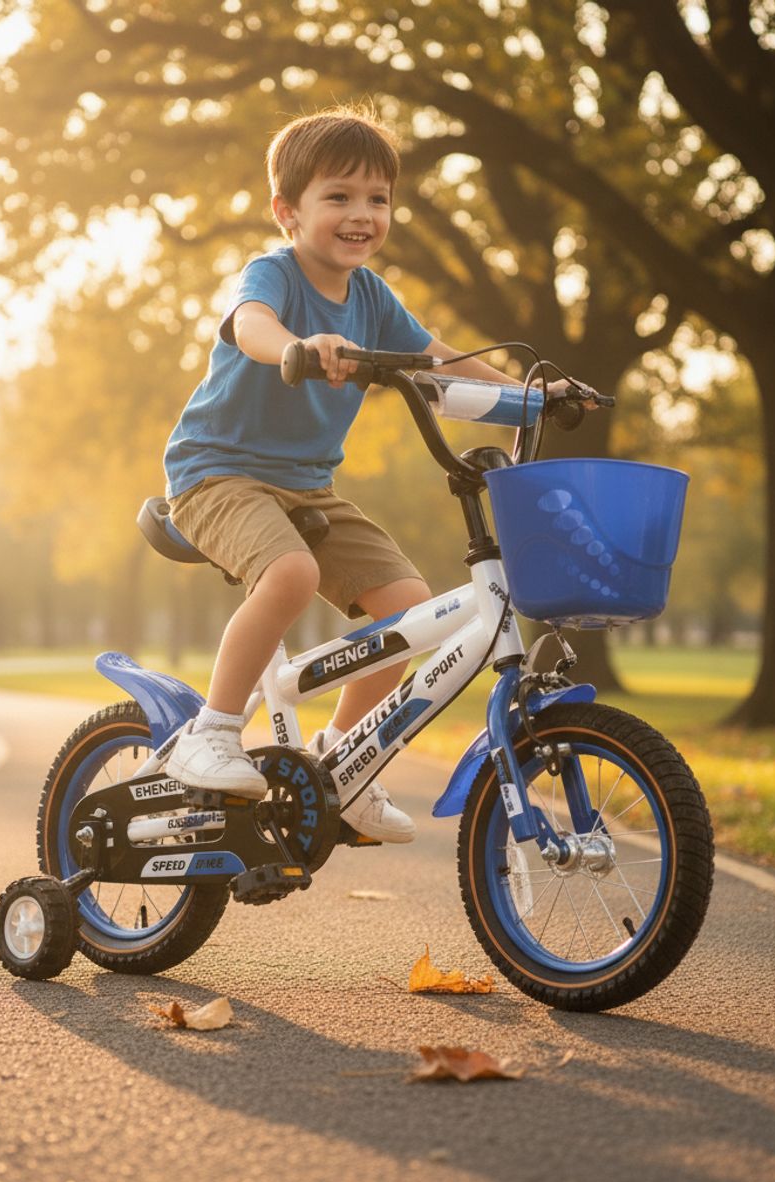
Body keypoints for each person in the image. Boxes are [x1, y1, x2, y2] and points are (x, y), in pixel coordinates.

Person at [159, 103, 571, 843]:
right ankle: (212, 730)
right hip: (217, 474)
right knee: (292, 574)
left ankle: (342, 762)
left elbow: (442, 362)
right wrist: (298, 345)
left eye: (377, 198)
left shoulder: (374, 298)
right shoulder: (275, 274)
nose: (362, 214)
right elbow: (250, 325)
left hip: (306, 486)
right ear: (287, 211)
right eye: (339, 196)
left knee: (408, 611)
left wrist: (531, 396)